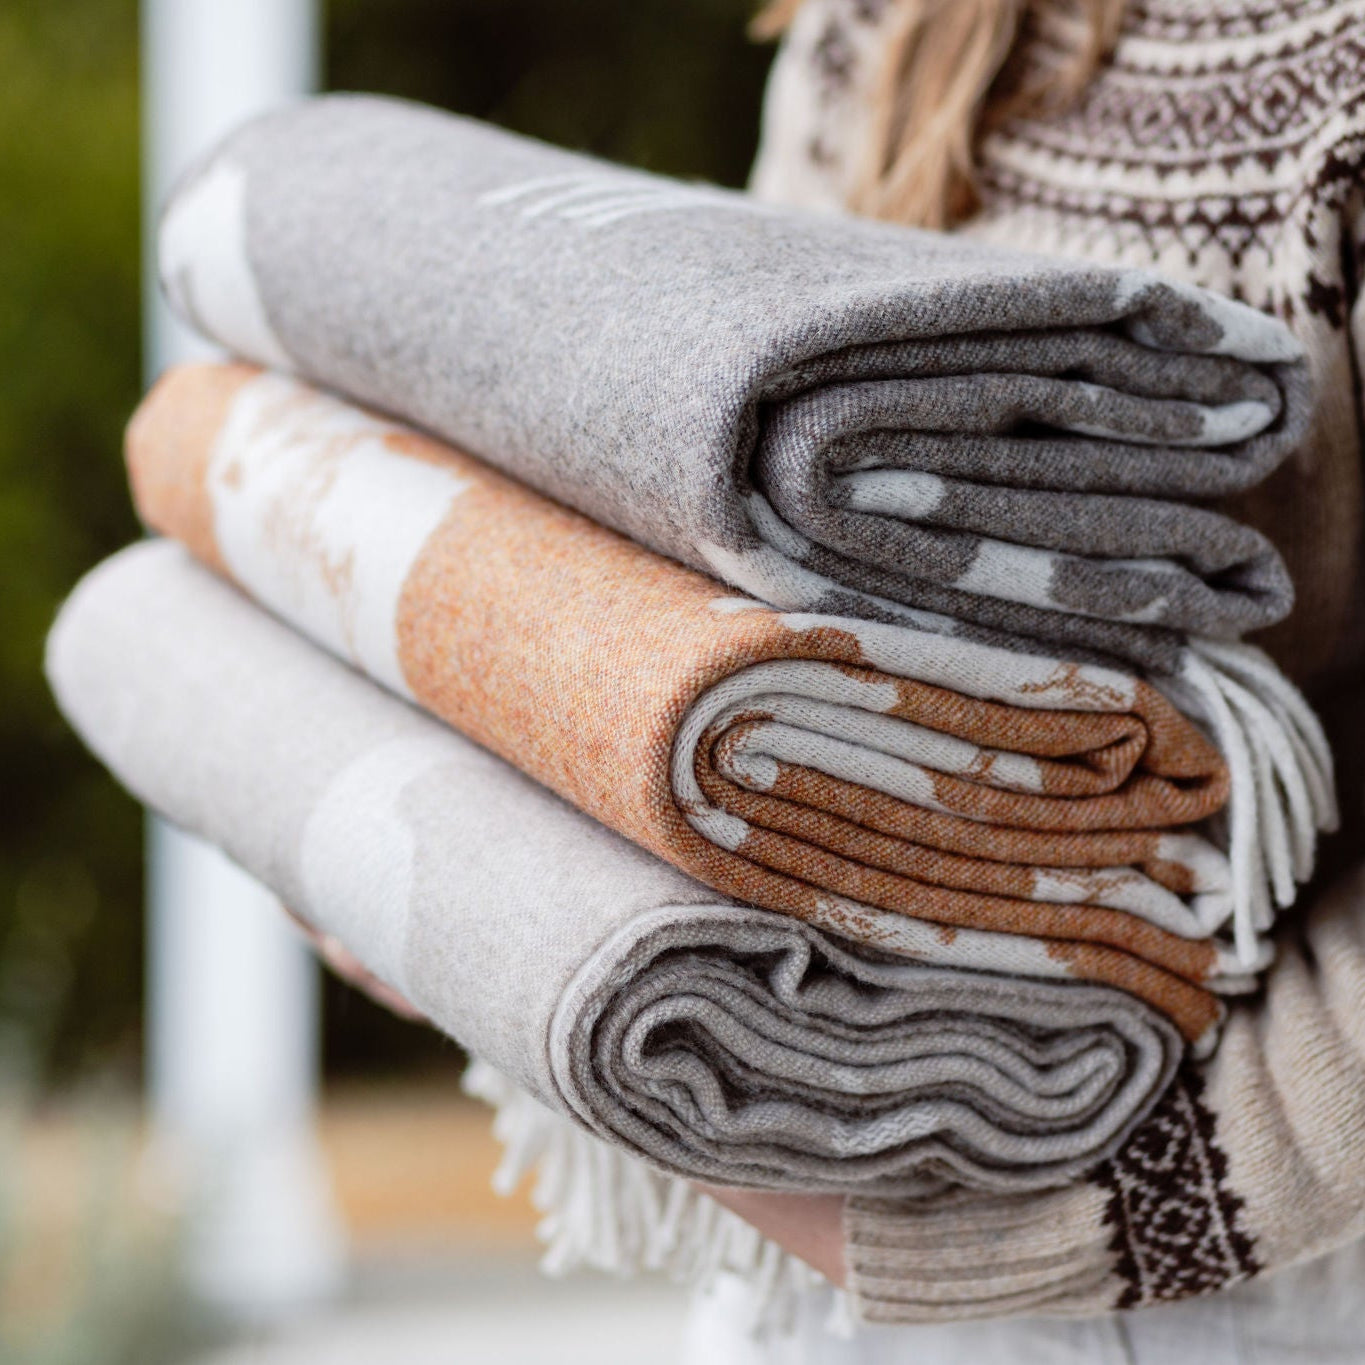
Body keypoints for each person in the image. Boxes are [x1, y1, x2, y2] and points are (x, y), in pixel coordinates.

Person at [682, 1, 1365, 1359]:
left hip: (1251, 1285)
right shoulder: (877, 28)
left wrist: (1015, 1233)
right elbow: (704, 537)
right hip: (818, 1261)